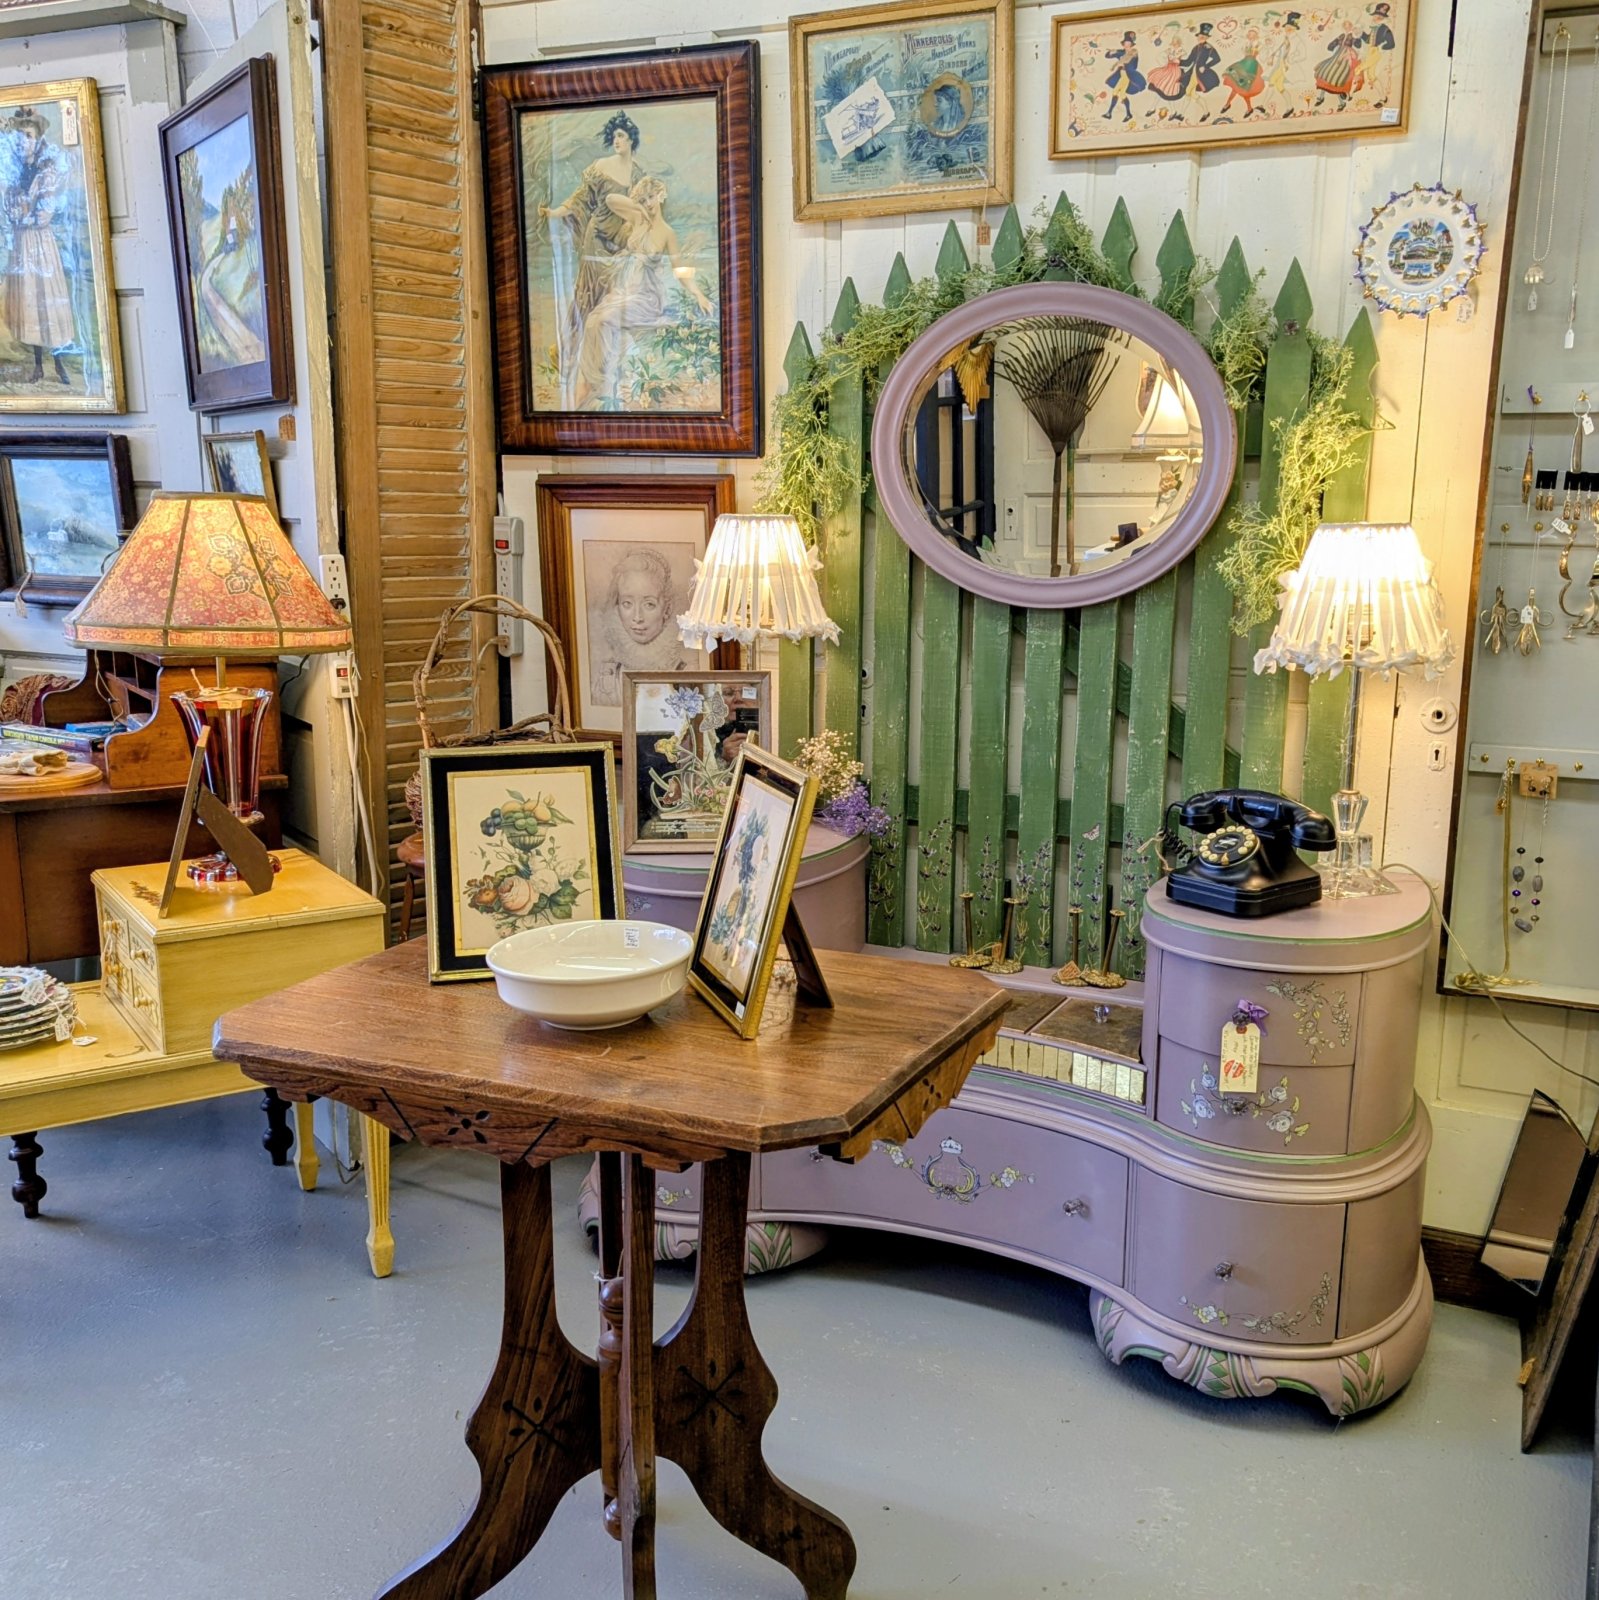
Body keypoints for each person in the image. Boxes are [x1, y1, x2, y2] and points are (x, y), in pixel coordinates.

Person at [570, 175, 713, 410]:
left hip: (647, 297)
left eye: (651, 197)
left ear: (661, 195)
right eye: (644, 199)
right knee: (593, 321)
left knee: (602, 320)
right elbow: (610, 199)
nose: (648, 203)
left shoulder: (667, 233)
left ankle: (601, 381)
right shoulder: (637, 219)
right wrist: (638, 207)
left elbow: (679, 270)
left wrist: (698, 294)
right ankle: (591, 383)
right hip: (625, 290)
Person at [538, 113, 646, 382]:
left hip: (620, 243)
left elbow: (642, 211)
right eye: (614, 136)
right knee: (587, 297)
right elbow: (580, 199)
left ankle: (601, 360)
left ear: (631, 139)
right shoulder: (601, 166)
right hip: (595, 239)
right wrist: (556, 212)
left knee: (612, 301)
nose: (616, 140)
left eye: (621, 135)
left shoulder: (638, 174)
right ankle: (566, 353)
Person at [2, 107, 75, 387]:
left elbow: (44, 212)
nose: (24, 141)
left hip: (40, 243)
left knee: (48, 302)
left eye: (29, 136)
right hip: (22, 243)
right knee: (30, 304)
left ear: (38, 139)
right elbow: (10, 209)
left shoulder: (47, 170)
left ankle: (59, 364)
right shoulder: (14, 171)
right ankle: (37, 365)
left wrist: (26, 215)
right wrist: (19, 212)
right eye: (20, 135)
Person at [588, 545, 691, 708]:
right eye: (627, 604)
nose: (637, 617)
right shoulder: (607, 679)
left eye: (649, 604)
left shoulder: (686, 672)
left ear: (667, 609)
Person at [1220, 32, 1266, 118]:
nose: (1251, 36)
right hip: (1244, 63)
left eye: (1253, 35)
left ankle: (1230, 104)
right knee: (1236, 86)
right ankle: (1231, 104)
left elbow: (1262, 55)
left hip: (1251, 66)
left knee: (1242, 88)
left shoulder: (1259, 44)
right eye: (1249, 35)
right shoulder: (1246, 44)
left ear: (1256, 36)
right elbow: (1239, 52)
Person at [1102, 32, 1146, 123]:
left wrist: (1124, 65)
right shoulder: (1121, 52)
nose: (1127, 45)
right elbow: (1107, 56)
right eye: (1125, 43)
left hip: (1128, 75)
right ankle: (1128, 114)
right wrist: (1111, 52)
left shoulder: (1134, 53)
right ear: (1123, 44)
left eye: (1129, 43)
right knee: (1121, 94)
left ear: (1131, 44)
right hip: (1121, 74)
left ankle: (1109, 113)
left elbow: (1134, 67)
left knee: (1116, 91)